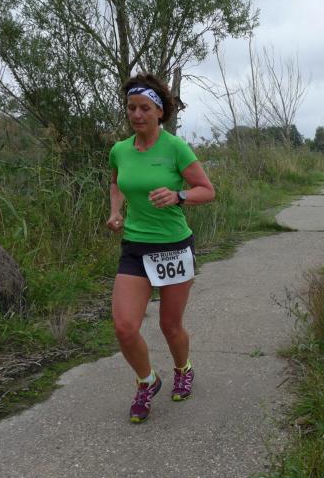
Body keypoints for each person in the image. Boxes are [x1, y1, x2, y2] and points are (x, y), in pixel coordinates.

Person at [107, 72, 215, 423]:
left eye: (144, 108)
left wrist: (178, 195)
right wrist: (115, 211)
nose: (137, 115)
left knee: (170, 325)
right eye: (131, 108)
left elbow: (207, 190)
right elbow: (116, 183)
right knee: (124, 327)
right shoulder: (120, 150)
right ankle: (146, 380)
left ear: (159, 112)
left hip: (172, 248)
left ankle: (183, 368)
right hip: (135, 247)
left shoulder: (175, 148)